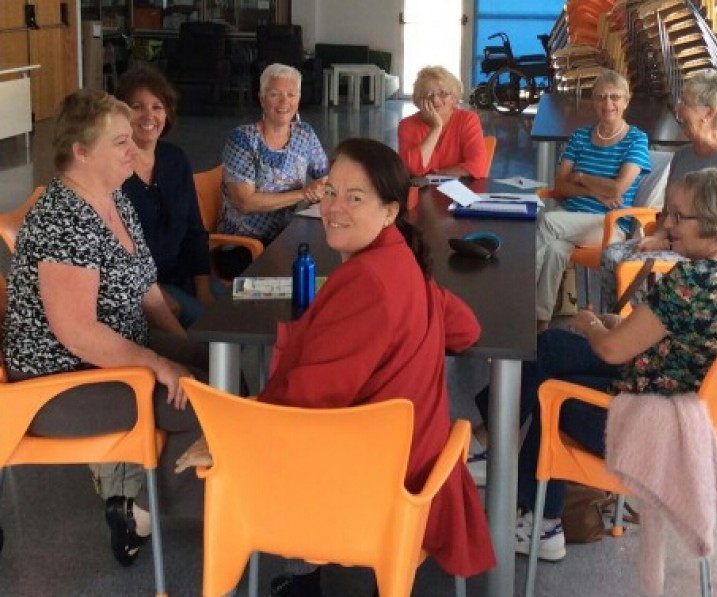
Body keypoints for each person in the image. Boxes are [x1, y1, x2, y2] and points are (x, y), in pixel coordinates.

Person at [176, 138, 495, 596]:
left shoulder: (368, 283)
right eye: (330, 191)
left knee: (208, 456)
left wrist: (229, 437)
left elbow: (309, 400)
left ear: (390, 211)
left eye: (355, 197)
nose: (334, 208)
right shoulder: (400, 264)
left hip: (366, 487)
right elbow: (466, 329)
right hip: (415, 469)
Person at [513, 167, 717, 561]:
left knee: (550, 390)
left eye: (679, 217)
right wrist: (620, 327)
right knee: (552, 350)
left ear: (715, 224)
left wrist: (594, 325)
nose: (667, 225)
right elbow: (687, 336)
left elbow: (613, 351)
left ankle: (540, 520)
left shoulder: (691, 281)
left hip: (649, 430)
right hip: (689, 417)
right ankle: (501, 448)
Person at [1, 89, 202, 568]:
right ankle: (146, 513)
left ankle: (149, 501)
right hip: (56, 384)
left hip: (111, 354)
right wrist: (161, 363)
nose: (134, 149)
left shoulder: (113, 198)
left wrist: (183, 346)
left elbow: (147, 289)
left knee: (217, 366)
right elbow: (78, 333)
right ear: (81, 152)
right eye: (120, 142)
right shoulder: (63, 216)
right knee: (201, 401)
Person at [599, 69, 717, 312]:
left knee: (632, 261)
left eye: (685, 102)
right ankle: (619, 324)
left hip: (712, 255)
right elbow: (667, 212)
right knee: (613, 254)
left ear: (708, 113)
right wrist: (658, 237)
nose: (678, 110)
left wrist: (667, 245)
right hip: (676, 241)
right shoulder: (684, 155)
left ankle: (636, 331)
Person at [536, 69, 651, 331]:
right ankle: (539, 322)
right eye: (600, 97)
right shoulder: (579, 136)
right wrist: (594, 191)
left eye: (614, 97)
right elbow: (560, 186)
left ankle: (517, 296)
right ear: (593, 101)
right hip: (572, 220)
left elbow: (618, 189)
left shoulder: (636, 139)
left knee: (548, 222)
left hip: (609, 225)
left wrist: (581, 176)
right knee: (554, 251)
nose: (607, 104)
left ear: (626, 100)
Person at [115, 64, 218, 327]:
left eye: (157, 106)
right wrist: (155, 294)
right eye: (137, 107)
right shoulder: (112, 171)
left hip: (185, 276)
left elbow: (195, 230)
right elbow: (117, 257)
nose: (148, 115)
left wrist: (204, 288)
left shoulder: (175, 160)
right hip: (143, 289)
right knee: (212, 331)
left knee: (240, 315)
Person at [216, 63, 329, 277]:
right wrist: (304, 193)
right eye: (275, 94)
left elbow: (326, 176)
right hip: (243, 245)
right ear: (261, 98)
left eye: (291, 94)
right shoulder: (243, 140)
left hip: (285, 236)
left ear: (299, 97)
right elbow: (245, 203)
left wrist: (327, 186)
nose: (284, 102)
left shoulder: (304, 133)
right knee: (305, 275)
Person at [397, 65, 488, 179]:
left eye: (443, 93)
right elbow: (413, 170)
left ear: (454, 98)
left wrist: (435, 176)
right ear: (419, 100)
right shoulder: (407, 125)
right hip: (421, 193)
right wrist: (436, 127)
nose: (435, 100)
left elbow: (479, 167)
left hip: (461, 191)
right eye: (427, 95)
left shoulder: (468, 119)